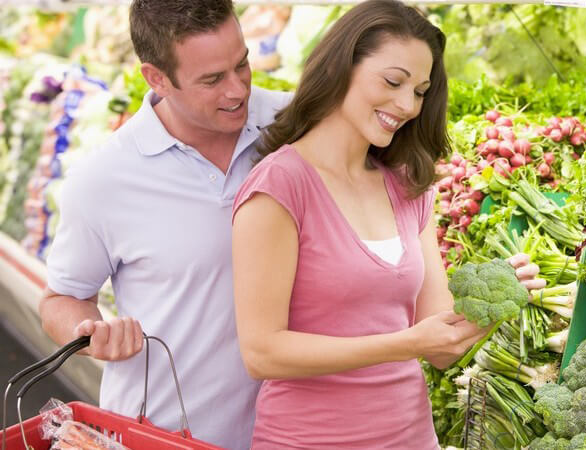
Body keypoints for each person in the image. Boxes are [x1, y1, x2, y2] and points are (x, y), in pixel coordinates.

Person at [231, 1, 547, 448]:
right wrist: (405, 342)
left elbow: (437, 346)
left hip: (411, 437)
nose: (407, 105)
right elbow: (262, 353)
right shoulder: (280, 186)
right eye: (393, 81)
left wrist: (488, 309)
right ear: (341, 67)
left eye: (420, 91)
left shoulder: (407, 185)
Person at [38, 1, 291, 448]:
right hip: (160, 436)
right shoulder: (103, 178)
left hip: (292, 433)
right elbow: (61, 298)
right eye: (212, 79)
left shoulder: (294, 126)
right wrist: (91, 334)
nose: (237, 90)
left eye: (242, 64)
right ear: (156, 78)